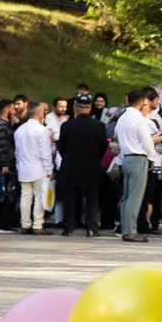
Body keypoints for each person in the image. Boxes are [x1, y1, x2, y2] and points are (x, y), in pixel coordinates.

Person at [55, 95, 110, 236]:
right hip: (92, 166)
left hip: (72, 165)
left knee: (70, 197)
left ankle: (68, 227)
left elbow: (61, 147)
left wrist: (69, 157)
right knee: (92, 196)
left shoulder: (67, 125)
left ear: (75, 107)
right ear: (90, 108)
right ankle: (91, 227)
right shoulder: (99, 126)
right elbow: (103, 147)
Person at [115, 89, 160, 242]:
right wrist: (152, 157)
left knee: (127, 196)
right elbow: (146, 141)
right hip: (138, 158)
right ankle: (130, 231)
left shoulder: (122, 118)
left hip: (126, 158)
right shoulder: (139, 119)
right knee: (135, 197)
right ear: (141, 102)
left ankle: (125, 228)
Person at [14, 100, 55, 235]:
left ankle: (25, 224)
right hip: (38, 168)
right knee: (39, 196)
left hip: (24, 167)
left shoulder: (19, 130)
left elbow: (17, 152)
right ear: (39, 113)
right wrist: (49, 170)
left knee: (25, 197)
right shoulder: (42, 130)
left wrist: (18, 166)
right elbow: (45, 152)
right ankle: (38, 224)